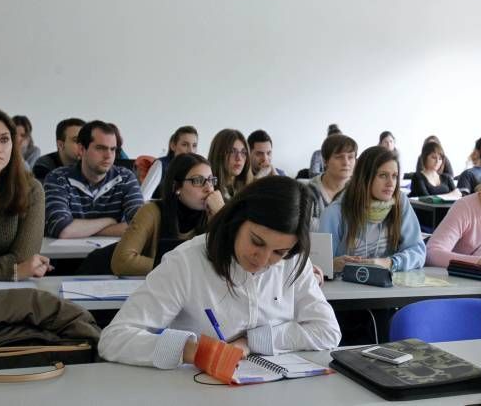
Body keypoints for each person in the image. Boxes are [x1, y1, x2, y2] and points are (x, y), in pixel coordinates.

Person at [98, 176, 341, 379]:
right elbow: (114, 339)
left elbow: (328, 331)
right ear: (236, 221)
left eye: (279, 252)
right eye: (257, 241)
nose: (263, 259)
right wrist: (192, 351)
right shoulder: (186, 263)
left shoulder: (294, 262)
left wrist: (251, 341)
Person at [111, 153, 224, 276]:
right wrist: (181, 267)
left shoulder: (214, 214)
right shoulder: (151, 212)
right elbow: (122, 262)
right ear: (177, 187)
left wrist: (221, 216)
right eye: (198, 181)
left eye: (211, 180)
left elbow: (229, 264)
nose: (209, 188)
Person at [318, 146, 425, 272]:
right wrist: (332, 265)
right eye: (383, 175)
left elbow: (418, 251)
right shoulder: (335, 212)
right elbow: (320, 265)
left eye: (395, 176)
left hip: (390, 287)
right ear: (365, 177)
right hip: (347, 287)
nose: (391, 183)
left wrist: (390, 263)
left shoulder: (400, 202)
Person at [0, 106, 51, 281]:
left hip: (11, 295)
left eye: (4, 139)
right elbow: (21, 266)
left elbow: (25, 259)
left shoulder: (31, 190)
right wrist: (13, 271)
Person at [44, 120, 143, 238]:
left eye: (112, 149)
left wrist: (83, 230)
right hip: (65, 256)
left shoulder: (126, 178)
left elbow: (140, 225)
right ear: (81, 149)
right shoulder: (57, 178)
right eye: (100, 148)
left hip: (111, 255)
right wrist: (109, 221)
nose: (108, 156)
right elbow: (62, 229)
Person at [306, 134, 357, 231]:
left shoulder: (360, 190)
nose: (346, 163)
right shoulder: (309, 191)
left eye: (350, 157)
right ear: (325, 161)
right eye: (339, 157)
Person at [139, 126, 199, 201]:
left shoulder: (198, 168)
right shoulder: (161, 165)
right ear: (173, 146)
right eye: (185, 145)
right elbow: (142, 198)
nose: (191, 150)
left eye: (194, 146)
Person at [32, 117, 85, 183]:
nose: (83, 145)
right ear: (60, 145)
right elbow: (48, 192)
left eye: (85, 140)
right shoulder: (43, 165)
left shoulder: (92, 163)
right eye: (76, 140)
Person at [208, 129, 251, 202]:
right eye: (232, 151)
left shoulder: (248, 188)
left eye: (243, 152)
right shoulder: (208, 189)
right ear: (218, 154)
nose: (239, 158)